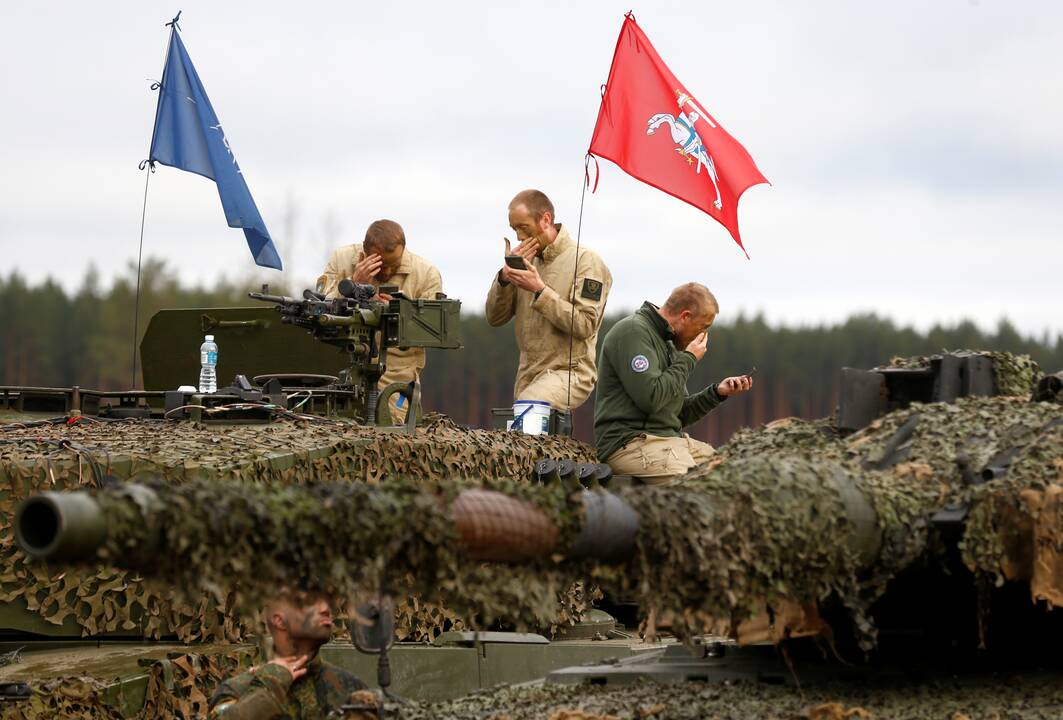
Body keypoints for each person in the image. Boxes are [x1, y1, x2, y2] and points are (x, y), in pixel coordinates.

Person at [594, 282, 753, 484]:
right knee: (698, 488)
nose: (703, 336)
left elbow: (677, 414)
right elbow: (651, 399)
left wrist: (717, 393)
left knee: (733, 476)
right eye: (703, 327)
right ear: (685, 316)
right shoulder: (633, 332)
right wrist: (688, 359)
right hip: (630, 443)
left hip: (667, 442)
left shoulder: (667, 341)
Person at [485, 189, 612, 410]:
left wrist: (540, 291)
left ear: (546, 220)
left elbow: (584, 325)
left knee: (528, 409)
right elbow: (494, 318)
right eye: (514, 229)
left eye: (523, 227)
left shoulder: (585, 261)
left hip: (570, 372)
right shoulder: (526, 262)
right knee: (522, 438)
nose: (519, 237)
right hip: (528, 375)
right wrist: (505, 279)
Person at [318, 220, 443, 422]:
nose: (386, 272)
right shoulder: (342, 260)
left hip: (396, 375)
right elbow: (318, 306)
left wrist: (400, 311)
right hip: (343, 366)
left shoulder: (426, 274)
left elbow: (433, 331)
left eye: (394, 264)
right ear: (364, 254)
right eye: (380, 265)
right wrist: (352, 285)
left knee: (394, 430)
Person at [209, 592, 370, 718]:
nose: (325, 609)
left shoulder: (350, 688)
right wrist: (270, 685)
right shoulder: (238, 689)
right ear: (279, 620)